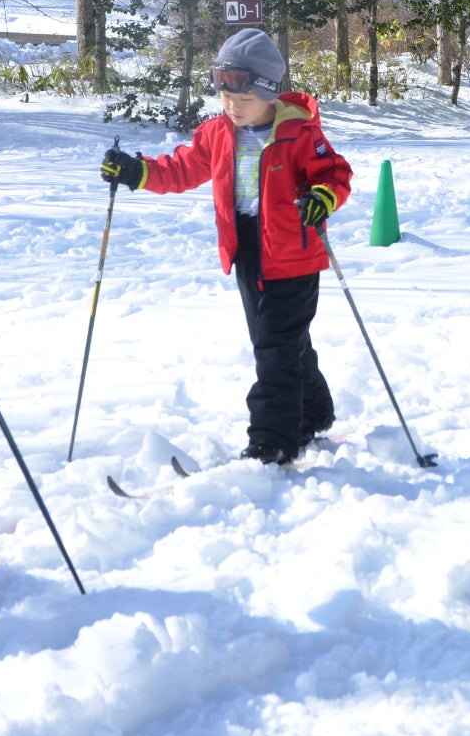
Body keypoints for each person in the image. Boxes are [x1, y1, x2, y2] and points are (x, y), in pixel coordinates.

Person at [99, 28, 351, 464]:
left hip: (294, 252)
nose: (234, 108)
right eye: (227, 99)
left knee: (274, 347)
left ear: (270, 93)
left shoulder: (297, 133)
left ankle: (271, 440)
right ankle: (313, 411)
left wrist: (322, 197)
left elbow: (336, 174)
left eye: (245, 100)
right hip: (247, 250)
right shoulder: (218, 134)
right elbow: (180, 169)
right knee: (281, 342)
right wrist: (137, 172)